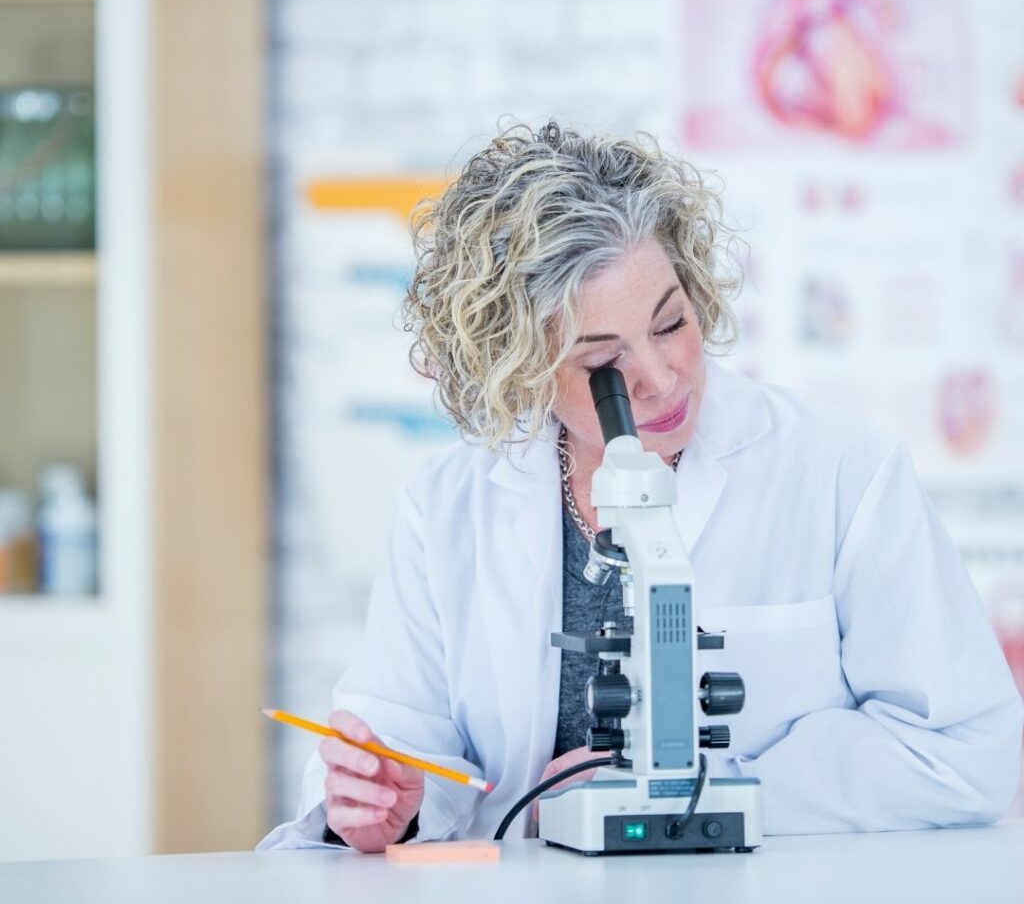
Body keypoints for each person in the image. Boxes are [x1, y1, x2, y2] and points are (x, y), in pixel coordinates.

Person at [258, 121, 1023, 852]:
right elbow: (406, 747)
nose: (659, 380)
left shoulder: (840, 474)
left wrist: (698, 787)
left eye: (670, 323)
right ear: (519, 367)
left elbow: (966, 750)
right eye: (602, 362)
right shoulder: (447, 507)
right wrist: (383, 806)